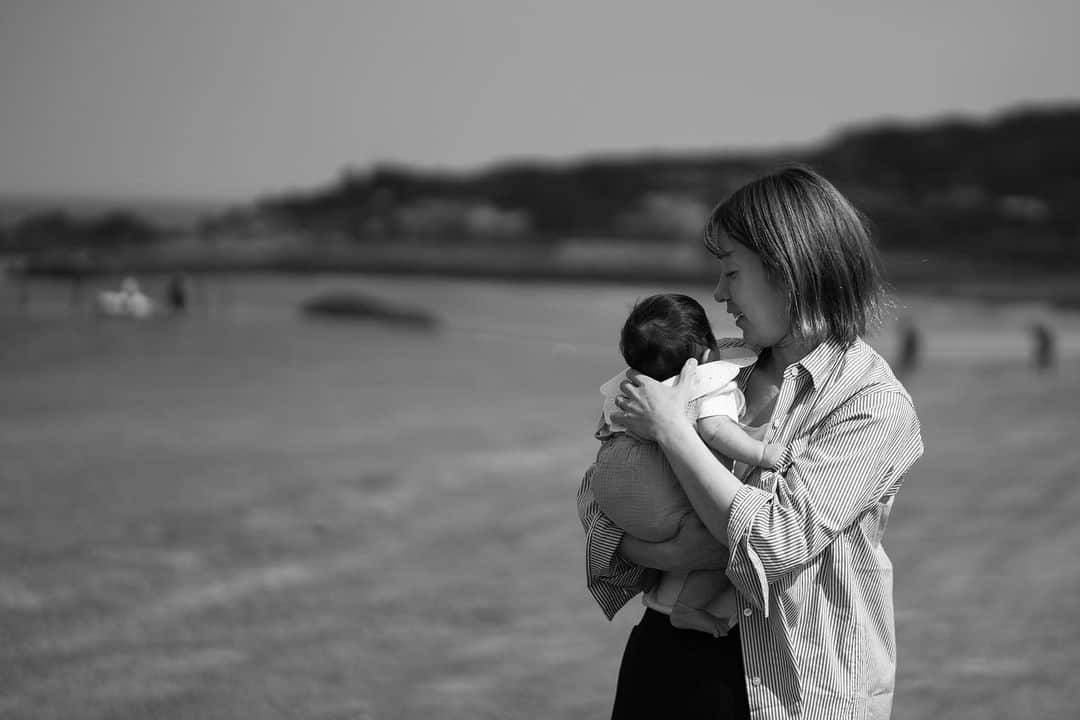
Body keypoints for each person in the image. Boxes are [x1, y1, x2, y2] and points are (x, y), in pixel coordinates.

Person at [576, 165, 924, 719]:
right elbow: (598, 489)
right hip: (663, 659)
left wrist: (671, 432)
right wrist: (659, 551)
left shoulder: (872, 404)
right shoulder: (717, 365)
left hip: (795, 689)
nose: (717, 294)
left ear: (789, 270)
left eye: (731, 272)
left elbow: (772, 543)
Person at [590, 293, 783, 638]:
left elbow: (605, 437)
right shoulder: (710, 379)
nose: (721, 290)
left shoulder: (635, 389)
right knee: (730, 544)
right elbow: (716, 429)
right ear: (707, 355)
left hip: (611, 499)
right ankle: (690, 606)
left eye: (732, 271)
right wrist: (762, 454)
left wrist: (634, 546)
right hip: (665, 518)